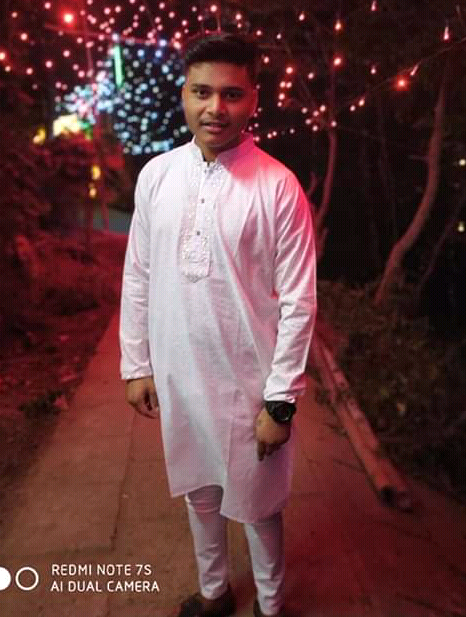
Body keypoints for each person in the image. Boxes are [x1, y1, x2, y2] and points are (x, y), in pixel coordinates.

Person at [119, 32, 317, 617]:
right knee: (199, 493)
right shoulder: (157, 176)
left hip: (248, 386)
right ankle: (215, 593)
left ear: (254, 98)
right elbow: (138, 273)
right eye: (201, 92)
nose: (215, 108)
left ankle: (270, 606)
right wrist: (137, 364)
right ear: (183, 93)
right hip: (180, 377)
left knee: (258, 506)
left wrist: (280, 402)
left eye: (231, 94)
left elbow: (299, 302)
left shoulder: (278, 186)